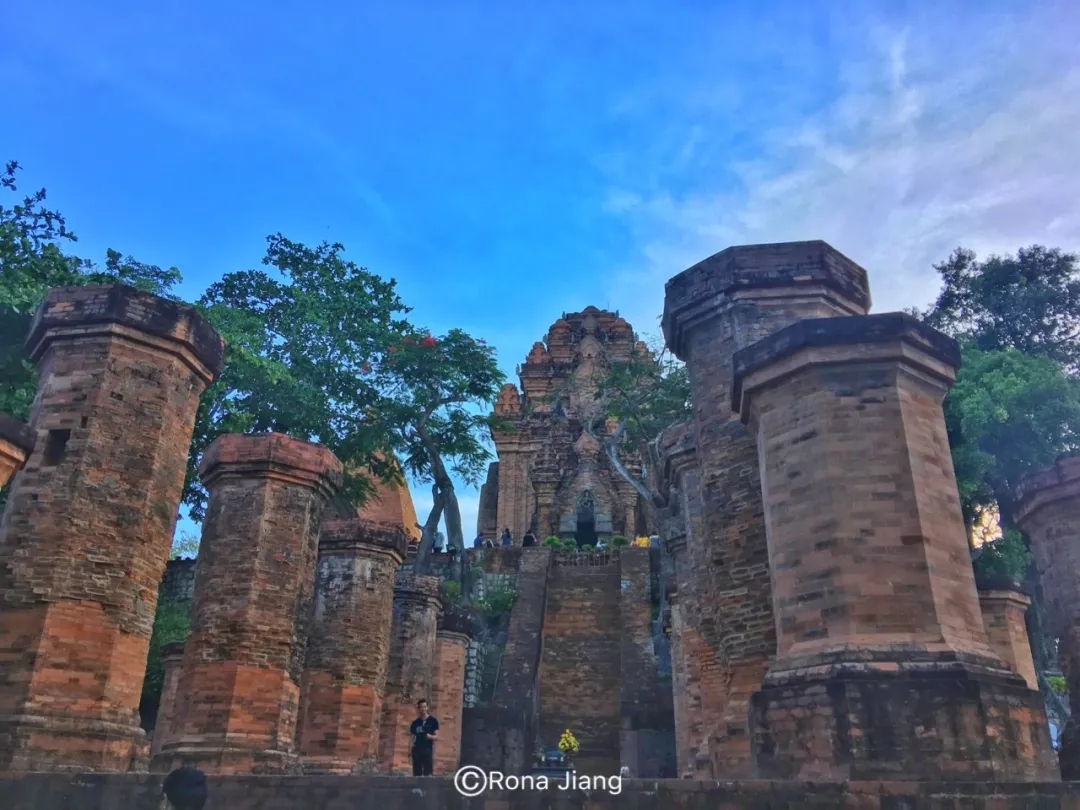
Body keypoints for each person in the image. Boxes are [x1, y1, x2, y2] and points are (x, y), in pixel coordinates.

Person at [409, 698, 440, 776]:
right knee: (416, 772)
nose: (423, 709)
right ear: (419, 709)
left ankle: (426, 788)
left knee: (428, 772)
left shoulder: (433, 721)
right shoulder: (415, 723)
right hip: (417, 749)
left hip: (427, 749)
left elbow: (436, 736)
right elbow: (412, 737)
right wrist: (409, 751)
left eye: (425, 707)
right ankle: (416, 788)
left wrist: (429, 736)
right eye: (421, 707)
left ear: (427, 707)